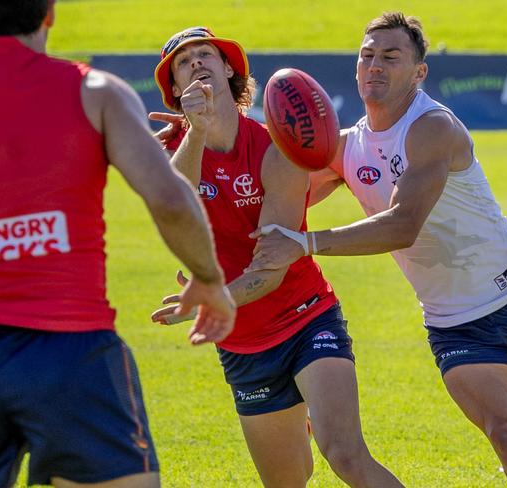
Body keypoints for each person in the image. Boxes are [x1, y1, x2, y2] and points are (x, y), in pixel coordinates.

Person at [0, 1, 236, 487]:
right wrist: (209, 279)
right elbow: (169, 200)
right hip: (74, 355)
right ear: (50, 14)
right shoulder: (96, 92)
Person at [249, 12, 507, 486]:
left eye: (390, 57)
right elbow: (265, 204)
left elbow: (403, 225)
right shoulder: (344, 148)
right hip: (458, 326)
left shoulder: (431, 126)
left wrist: (307, 244)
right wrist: (202, 137)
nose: (374, 65)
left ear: (419, 72)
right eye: (367, 55)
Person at [150, 26, 403, 488]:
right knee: (287, 480)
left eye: (206, 54)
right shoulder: (173, 154)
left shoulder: (276, 147)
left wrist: (211, 299)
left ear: (228, 68)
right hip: (243, 342)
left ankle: (310, 418)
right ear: (175, 89)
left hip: (307, 316)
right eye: (184, 63)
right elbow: (175, 209)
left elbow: (270, 268)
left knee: (345, 454)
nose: (197, 63)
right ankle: (294, 426)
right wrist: (198, 131)